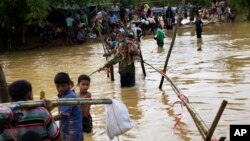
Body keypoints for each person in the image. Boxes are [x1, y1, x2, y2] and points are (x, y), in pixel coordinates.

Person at [53, 72, 83, 141]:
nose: (60, 89)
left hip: (73, 132)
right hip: (66, 129)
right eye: (57, 86)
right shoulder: (61, 95)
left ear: (69, 85)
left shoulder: (70, 96)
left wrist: (48, 119)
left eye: (63, 86)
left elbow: (62, 116)